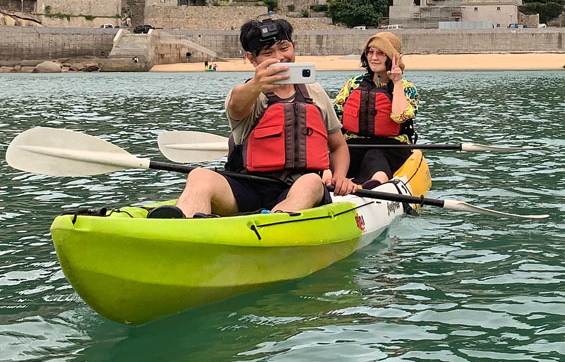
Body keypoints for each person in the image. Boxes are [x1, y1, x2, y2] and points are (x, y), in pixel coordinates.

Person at [150, 17, 358, 218]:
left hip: (297, 188)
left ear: (293, 45)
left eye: (284, 48)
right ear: (251, 58)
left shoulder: (315, 93)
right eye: (268, 53)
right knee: (199, 176)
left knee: (312, 181)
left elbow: (338, 146)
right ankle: (184, 227)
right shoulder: (247, 94)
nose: (279, 58)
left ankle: (273, 223)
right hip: (247, 187)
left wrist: (339, 175)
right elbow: (237, 106)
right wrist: (257, 85)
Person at [333, 32, 418, 190]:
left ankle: (378, 182)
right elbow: (334, 116)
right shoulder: (354, 84)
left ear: (393, 58)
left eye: (380, 53)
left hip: (392, 147)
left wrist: (396, 82)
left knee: (375, 154)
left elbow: (401, 116)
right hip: (355, 145)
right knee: (340, 155)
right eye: (370, 52)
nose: (374, 57)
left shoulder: (406, 88)